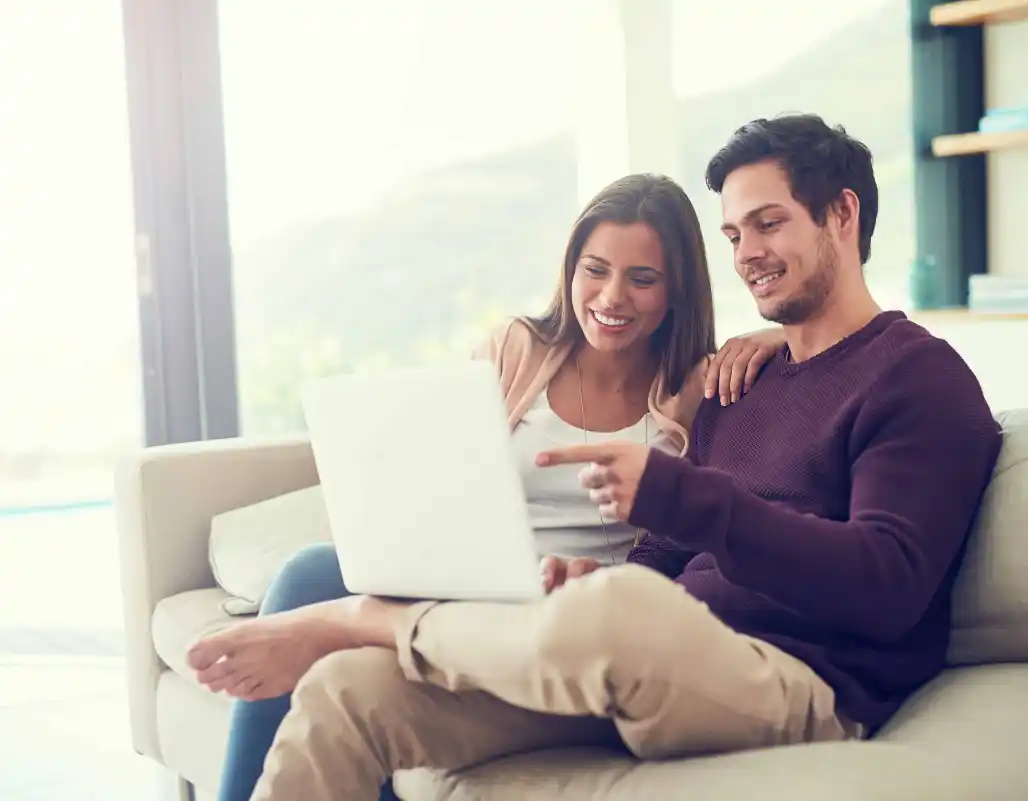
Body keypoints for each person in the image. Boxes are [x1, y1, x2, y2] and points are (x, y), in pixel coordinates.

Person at [189, 114, 1003, 801]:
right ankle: (369, 636)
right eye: (732, 232)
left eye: (769, 221)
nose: (747, 249)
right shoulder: (741, 383)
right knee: (345, 690)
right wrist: (600, 577)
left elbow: (889, 584)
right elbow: (664, 565)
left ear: (843, 214)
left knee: (617, 611)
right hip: (654, 664)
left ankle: (356, 617)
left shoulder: (918, 377)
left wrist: (680, 504)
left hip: (796, 684)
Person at [208, 172, 785, 801]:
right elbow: (452, 473)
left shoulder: (700, 386)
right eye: (595, 269)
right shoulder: (519, 348)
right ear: (571, 270)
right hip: (481, 583)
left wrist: (772, 334)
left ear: (677, 290)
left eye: (642, 279)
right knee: (308, 574)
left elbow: (817, 348)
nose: (612, 296)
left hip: (583, 609)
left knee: (341, 653)